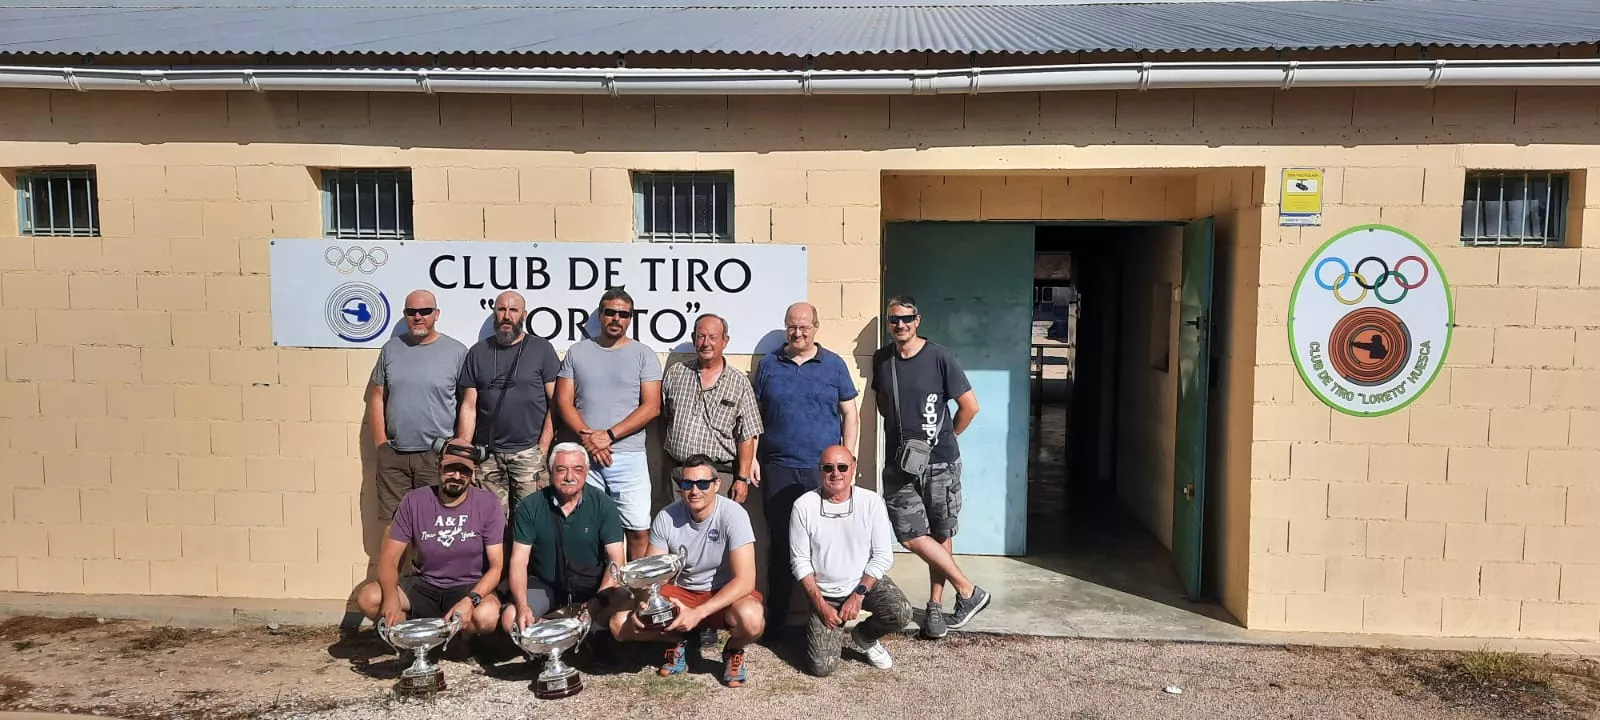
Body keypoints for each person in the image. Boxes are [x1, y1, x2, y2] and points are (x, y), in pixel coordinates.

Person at [871, 295, 991, 639]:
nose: (900, 325)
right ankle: (968, 589)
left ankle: (936, 606)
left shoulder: (940, 357)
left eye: (906, 318)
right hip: (899, 463)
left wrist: (947, 436)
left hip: (939, 463)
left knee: (940, 532)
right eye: (894, 319)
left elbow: (970, 406)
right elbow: (883, 404)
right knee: (910, 535)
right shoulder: (883, 359)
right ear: (888, 323)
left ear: (918, 320)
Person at [609, 455, 764, 688]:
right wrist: (643, 603)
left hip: (721, 592)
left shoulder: (734, 514)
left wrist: (698, 613)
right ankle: (676, 640)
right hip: (680, 592)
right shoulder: (666, 516)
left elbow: (745, 580)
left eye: (702, 483)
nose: (694, 491)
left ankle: (733, 650)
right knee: (619, 625)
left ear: (716, 485)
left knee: (752, 618)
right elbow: (651, 575)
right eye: (687, 484)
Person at [751, 300, 860, 633]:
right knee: (781, 543)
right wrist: (752, 457)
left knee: (826, 542)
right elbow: (754, 416)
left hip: (823, 471)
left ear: (816, 327)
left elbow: (850, 414)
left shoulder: (834, 365)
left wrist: (847, 459)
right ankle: (777, 621)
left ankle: (826, 617)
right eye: (792, 326)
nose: (798, 333)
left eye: (804, 327)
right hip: (779, 468)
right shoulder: (769, 364)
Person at [354, 440, 505, 637]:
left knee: (487, 614)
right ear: (438, 466)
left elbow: (496, 566)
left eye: (464, 471)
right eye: (450, 468)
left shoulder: (488, 503)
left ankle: (461, 642)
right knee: (369, 598)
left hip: (468, 585)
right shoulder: (414, 501)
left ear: (473, 473)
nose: (457, 476)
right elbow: (389, 558)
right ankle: (417, 640)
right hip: (424, 584)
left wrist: (470, 600)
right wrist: (391, 598)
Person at [554, 287, 662, 559]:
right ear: (600, 315)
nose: (616, 319)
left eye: (623, 314)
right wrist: (590, 440)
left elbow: (652, 406)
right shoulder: (577, 352)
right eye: (610, 312)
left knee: (637, 530)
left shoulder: (644, 354)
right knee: (587, 530)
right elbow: (563, 401)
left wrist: (609, 436)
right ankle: (597, 585)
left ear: (630, 318)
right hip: (585, 457)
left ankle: (635, 584)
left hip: (629, 457)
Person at [790, 445, 910, 676]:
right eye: (828, 468)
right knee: (821, 668)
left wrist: (858, 595)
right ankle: (824, 631)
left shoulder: (871, 502)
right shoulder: (804, 506)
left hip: (863, 584)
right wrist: (821, 606)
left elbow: (883, 555)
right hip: (825, 593)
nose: (836, 473)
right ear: (820, 470)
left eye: (842, 467)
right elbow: (800, 562)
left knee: (900, 612)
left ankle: (865, 636)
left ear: (853, 468)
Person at [500, 442, 628, 635]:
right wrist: (523, 605)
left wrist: (598, 600)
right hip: (546, 585)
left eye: (577, 469)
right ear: (550, 471)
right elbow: (518, 561)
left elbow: (616, 559)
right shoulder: (530, 506)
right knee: (511, 618)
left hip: (594, 586)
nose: (569, 477)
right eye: (561, 470)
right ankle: (555, 637)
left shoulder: (603, 504)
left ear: (586, 472)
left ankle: (591, 636)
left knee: (625, 604)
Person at [367, 289, 468, 528]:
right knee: (394, 527)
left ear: (436, 314)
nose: (418, 317)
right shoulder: (391, 349)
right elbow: (377, 396)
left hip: (436, 456)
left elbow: (468, 403)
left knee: (433, 527)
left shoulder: (457, 352)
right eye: (411, 312)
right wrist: (381, 444)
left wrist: (459, 449)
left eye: (425, 311)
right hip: (394, 455)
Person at [457, 290, 562, 518]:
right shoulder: (477, 353)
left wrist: (543, 447)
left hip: (528, 454)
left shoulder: (541, 349)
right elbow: (468, 407)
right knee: (489, 522)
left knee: (530, 520)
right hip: (487, 456)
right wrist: (465, 454)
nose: (506, 315)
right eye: (501, 309)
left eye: (513, 310)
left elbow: (556, 402)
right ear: (494, 312)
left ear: (524, 315)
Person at [660, 313, 763, 503]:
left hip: (719, 477)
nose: (706, 343)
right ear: (694, 338)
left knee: (715, 523)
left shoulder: (739, 383)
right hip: (679, 476)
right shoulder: (676, 374)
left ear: (725, 341)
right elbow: (664, 420)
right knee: (676, 523)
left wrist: (742, 479)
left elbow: (747, 435)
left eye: (713, 337)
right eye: (701, 336)